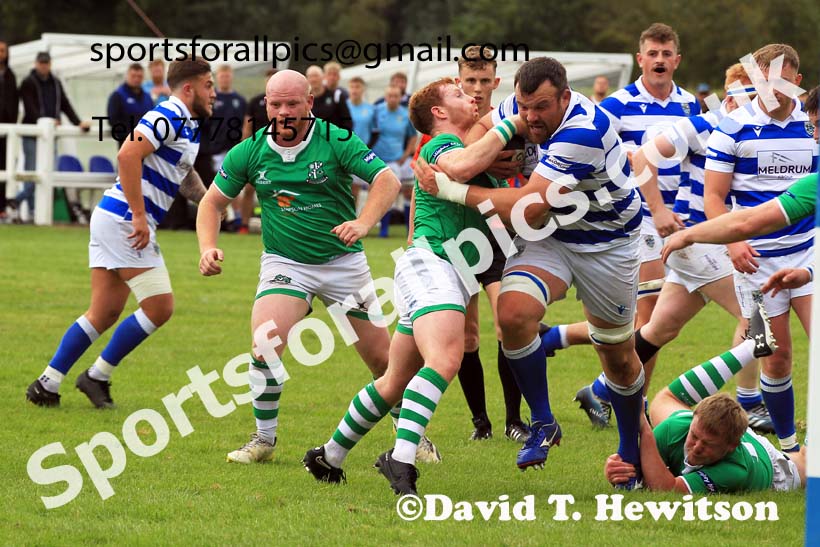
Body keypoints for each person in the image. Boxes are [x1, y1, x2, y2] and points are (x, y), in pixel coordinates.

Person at [416, 57, 646, 488]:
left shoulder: (584, 129)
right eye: (524, 106)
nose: (531, 117)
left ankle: (629, 454)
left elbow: (531, 205)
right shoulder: (519, 108)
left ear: (565, 97)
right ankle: (542, 421)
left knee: (616, 354)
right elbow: (479, 133)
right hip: (553, 236)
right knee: (513, 314)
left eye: (541, 107)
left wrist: (453, 187)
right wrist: (495, 150)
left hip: (607, 244)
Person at [197, 70, 439, 466]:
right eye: (276, 104)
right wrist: (208, 247)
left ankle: (414, 437)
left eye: (292, 103)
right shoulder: (251, 150)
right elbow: (211, 203)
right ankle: (263, 439)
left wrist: (362, 223)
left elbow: (386, 181)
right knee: (265, 342)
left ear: (309, 103)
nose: (284, 112)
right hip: (286, 264)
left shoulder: (335, 139)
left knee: (385, 361)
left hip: (343, 264)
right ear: (266, 107)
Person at [301, 77, 526, 494]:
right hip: (433, 264)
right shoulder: (441, 146)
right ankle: (401, 460)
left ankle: (327, 457)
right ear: (438, 113)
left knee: (394, 381)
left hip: (443, 271)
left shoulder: (468, 159)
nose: (471, 96)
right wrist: (514, 123)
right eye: (459, 93)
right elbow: (463, 165)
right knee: (444, 360)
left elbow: (498, 206)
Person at [558, 64, 775, 435]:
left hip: (705, 240)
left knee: (659, 328)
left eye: (751, 92)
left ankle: (593, 384)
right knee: (755, 316)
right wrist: (658, 209)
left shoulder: (753, 130)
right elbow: (643, 158)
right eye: (737, 92)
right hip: (696, 239)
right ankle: (751, 402)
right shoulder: (707, 122)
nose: (744, 99)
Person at [25, 58, 215, 407]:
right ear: (188, 88)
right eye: (208, 85)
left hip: (114, 218)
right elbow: (128, 155)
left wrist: (211, 201)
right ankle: (96, 376)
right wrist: (140, 215)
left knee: (104, 312)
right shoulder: (167, 115)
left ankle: (47, 384)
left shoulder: (187, 123)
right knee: (160, 307)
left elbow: (183, 176)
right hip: (125, 221)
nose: (214, 93)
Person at [703, 44, 815, 454]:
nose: (771, 90)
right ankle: (788, 447)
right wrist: (733, 240)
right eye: (763, 80)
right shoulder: (732, 127)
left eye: (781, 81)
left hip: (808, 253)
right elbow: (713, 198)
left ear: (796, 82)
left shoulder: (812, 125)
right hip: (756, 262)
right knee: (777, 355)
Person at [605, 324, 805, 493]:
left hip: (773, 465)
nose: (697, 447)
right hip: (724, 430)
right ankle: (751, 347)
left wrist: (645, 429)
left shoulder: (735, 471)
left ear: (730, 447)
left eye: (708, 445)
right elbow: (638, 470)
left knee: (809, 464)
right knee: (664, 400)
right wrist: (618, 468)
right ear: (692, 420)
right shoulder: (677, 427)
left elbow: (666, 489)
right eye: (694, 436)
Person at [597, 23, 700, 350]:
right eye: (653, 53)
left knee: (663, 321)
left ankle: (562, 339)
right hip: (638, 217)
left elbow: (697, 160)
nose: (660, 59)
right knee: (650, 312)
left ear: (677, 60)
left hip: (680, 217)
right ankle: (636, 401)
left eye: (666, 54)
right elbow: (592, 151)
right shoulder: (616, 104)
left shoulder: (690, 105)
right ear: (640, 59)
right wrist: (626, 157)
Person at [451, 45, 530, 443]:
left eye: (485, 81)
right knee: (467, 334)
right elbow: (426, 180)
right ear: (458, 81)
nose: (478, 88)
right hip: (458, 239)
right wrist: (415, 235)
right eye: (470, 81)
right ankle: (480, 422)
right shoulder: (446, 126)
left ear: (497, 82)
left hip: (500, 234)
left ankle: (514, 420)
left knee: (507, 326)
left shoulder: (511, 122)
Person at [16, 51, 91, 221]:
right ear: (36, 63)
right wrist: (46, 120)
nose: (44, 66)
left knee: (46, 172)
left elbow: (65, 104)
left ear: (49, 64)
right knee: (33, 172)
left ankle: (20, 205)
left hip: (51, 136)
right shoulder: (28, 83)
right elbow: (30, 108)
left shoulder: (55, 83)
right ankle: (22, 205)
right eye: (41, 63)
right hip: (33, 134)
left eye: (46, 63)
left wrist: (77, 122)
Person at [371, 85, 417, 237]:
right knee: (384, 193)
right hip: (377, 160)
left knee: (407, 193)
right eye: (390, 96)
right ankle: (383, 230)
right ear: (385, 96)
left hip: (397, 161)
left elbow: (413, 136)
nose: (392, 99)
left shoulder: (405, 115)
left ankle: (408, 229)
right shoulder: (376, 111)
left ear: (400, 98)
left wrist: (405, 155)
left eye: (395, 96)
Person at [106, 63, 154, 148]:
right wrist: (130, 136)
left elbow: (153, 117)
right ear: (127, 76)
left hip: (147, 144)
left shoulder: (147, 97)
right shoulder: (118, 95)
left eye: (139, 76)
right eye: (133, 76)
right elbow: (112, 120)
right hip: (127, 144)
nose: (136, 79)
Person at [347, 76, 374, 209]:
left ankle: (353, 219)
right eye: (352, 87)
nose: (354, 90)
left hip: (360, 153)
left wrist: (368, 147)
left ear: (363, 89)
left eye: (357, 87)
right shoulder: (344, 106)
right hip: (344, 151)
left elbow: (375, 132)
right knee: (344, 187)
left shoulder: (370, 109)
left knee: (355, 189)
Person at [0, 40, 18, 221]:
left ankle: (2, 208)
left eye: (3, 50)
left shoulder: (10, 75)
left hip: (6, 131)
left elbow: (13, 101)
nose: (1, 54)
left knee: (4, 166)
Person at [306, 65, 352, 131]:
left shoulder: (336, 96)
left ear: (323, 77)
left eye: (316, 76)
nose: (313, 79)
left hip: (333, 137)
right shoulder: (305, 99)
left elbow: (347, 121)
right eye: (310, 76)